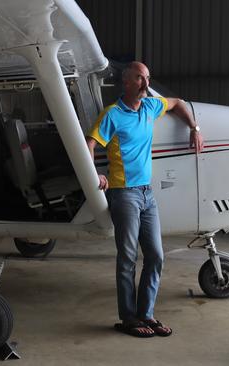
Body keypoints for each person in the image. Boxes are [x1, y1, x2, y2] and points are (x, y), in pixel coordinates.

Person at [86, 61, 204, 338]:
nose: (146, 84)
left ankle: (146, 314)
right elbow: (90, 144)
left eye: (148, 78)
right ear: (126, 82)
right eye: (140, 79)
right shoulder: (112, 114)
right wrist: (95, 175)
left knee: (155, 255)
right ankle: (128, 318)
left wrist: (194, 128)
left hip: (147, 193)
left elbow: (176, 103)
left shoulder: (151, 107)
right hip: (123, 192)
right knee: (128, 256)